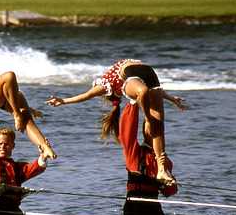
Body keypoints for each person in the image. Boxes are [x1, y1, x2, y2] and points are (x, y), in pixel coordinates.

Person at [46, 59, 186, 182]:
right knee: (142, 94)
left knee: (158, 126)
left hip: (150, 75)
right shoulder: (109, 85)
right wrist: (63, 101)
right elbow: (88, 94)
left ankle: (161, 171)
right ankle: (149, 121)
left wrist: (171, 99)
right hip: (135, 73)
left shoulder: (108, 85)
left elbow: (87, 95)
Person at [117, 78, 185, 215]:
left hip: (154, 209)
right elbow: (126, 130)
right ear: (146, 130)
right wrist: (133, 101)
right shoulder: (133, 152)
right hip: (135, 206)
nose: (153, 131)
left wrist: (168, 179)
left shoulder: (163, 160)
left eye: (157, 129)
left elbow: (170, 192)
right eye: (150, 127)